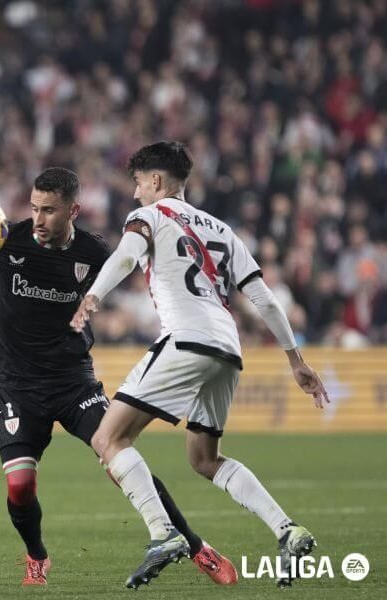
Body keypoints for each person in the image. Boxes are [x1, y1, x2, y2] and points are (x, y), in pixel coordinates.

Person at [0, 167, 236, 586]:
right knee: (20, 487)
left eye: (50, 211)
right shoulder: (8, 239)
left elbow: (141, 274)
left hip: (74, 382)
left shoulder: (95, 253)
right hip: (18, 387)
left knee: (122, 459)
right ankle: (37, 555)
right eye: (35, 208)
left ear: (73, 210)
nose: (39, 219)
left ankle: (195, 546)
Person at [70, 142, 330, 588]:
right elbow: (263, 299)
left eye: (137, 183)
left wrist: (95, 293)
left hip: (186, 340)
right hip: (228, 350)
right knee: (204, 458)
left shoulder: (150, 217)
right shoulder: (223, 229)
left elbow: (128, 254)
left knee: (107, 437)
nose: (134, 194)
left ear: (155, 181)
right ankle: (288, 530)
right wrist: (295, 359)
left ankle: (162, 532)